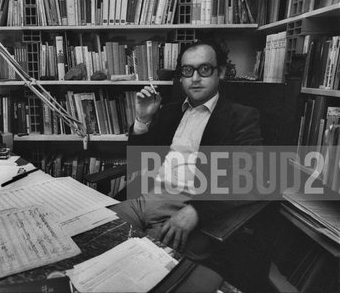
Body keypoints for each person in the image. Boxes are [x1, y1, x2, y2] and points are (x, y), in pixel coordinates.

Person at [110, 39, 263, 259]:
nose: (195, 78)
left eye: (204, 69)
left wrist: (196, 210)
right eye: (188, 70)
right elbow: (139, 165)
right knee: (91, 235)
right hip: (142, 200)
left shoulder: (242, 117)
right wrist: (143, 120)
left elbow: (252, 177)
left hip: (181, 209)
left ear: (220, 72)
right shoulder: (169, 112)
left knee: (138, 263)